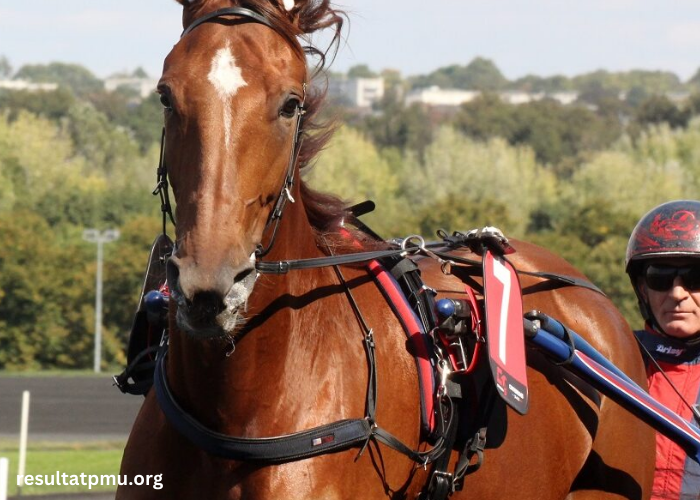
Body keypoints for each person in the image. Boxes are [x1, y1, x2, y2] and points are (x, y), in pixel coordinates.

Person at [626, 199, 700, 500]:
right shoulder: (611, 359)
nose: (677, 293)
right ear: (643, 289)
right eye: (660, 277)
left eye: (695, 277)